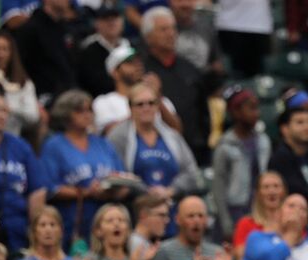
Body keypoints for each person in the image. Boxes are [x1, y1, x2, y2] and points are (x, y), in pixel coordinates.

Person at [41, 90, 128, 244]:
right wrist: (87, 192)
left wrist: (112, 189)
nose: (86, 115)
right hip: (73, 220)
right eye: (79, 111)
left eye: (89, 110)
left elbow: (123, 178)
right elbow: (50, 188)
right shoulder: (54, 146)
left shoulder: (102, 143)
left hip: (106, 220)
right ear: (66, 114)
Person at [106, 83, 203, 213]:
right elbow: (114, 175)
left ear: (158, 106)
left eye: (151, 103)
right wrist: (145, 191)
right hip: (136, 211)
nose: (146, 108)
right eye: (140, 104)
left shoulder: (172, 136)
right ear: (130, 107)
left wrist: (170, 191)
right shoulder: (118, 137)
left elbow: (191, 173)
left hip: (173, 209)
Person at [0, 92, 48, 254]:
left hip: (17, 226)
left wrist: (35, 230)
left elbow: (37, 190)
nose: (1, 115)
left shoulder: (20, 146)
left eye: (4, 111)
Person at [141, 7, 213, 164]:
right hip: (158, 150)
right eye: (163, 29)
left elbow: (203, 111)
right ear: (148, 37)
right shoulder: (143, 71)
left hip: (195, 148)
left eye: (173, 28)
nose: (171, 33)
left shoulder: (190, 68)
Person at [211, 87, 271, 239]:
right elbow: (219, 185)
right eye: (251, 109)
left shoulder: (263, 141)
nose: (256, 113)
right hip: (235, 209)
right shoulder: (225, 145)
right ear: (235, 112)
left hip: (260, 208)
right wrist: (225, 220)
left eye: (257, 108)